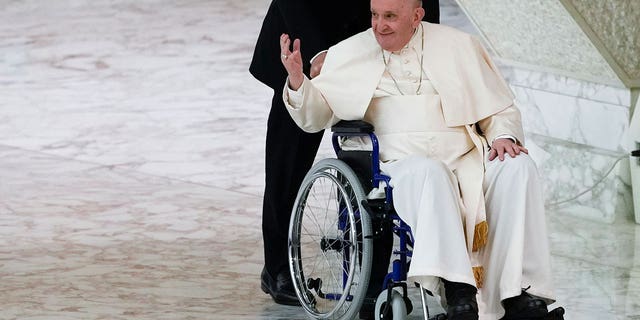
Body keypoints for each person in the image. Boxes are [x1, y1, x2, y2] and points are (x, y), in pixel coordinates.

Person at [278, 0, 559, 319]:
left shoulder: (458, 46)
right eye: (374, 15)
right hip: (400, 165)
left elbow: (498, 109)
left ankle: (518, 292)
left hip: (468, 157)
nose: (379, 25)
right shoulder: (350, 52)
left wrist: (504, 136)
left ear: (417, 17)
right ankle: (458, 291)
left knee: (518, 166)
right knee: (432, 173)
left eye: (390, 17)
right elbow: (316, 116)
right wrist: (299, 82)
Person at [249, 0, 440, 308]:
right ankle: (278, 267)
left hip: (375, 38)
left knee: (368, 153)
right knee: (288, 165)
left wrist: (426, 39)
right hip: (306, 40)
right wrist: (318, 52)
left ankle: (366, 269)